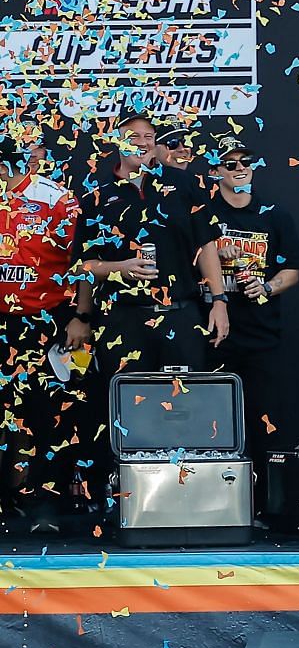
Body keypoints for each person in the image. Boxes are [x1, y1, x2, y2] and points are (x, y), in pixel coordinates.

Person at [71, 112, 227, 504]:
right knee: (127, 412)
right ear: (116, 142)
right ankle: (129, 502)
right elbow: (85, 265)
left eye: (148, 135)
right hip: (125, 318)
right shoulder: (96, 196)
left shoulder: (184, 186)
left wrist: (219, 300)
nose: (141, 141)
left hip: (181, 311)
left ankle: (192, 499)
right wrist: (89, 308)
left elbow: (207, 245)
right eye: (132, 136)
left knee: (187, 405)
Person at [195, 135, 299, 470]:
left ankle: (265, 503)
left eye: (246, 162)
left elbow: (293, 269)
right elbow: (181, 260)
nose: (240, 168)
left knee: (265, 421)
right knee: (209, 422)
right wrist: (212, 251)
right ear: (216, 171)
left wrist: (267, 288)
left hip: (260, 334)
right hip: (210, 333)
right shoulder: (203, 213)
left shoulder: (275, 215)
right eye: (230, 164)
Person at [0, 126, 81, 534]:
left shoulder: (56, 198)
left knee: (46, 413)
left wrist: (77, 316)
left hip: (42, 322)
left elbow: (81, 261)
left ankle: (46, 503)